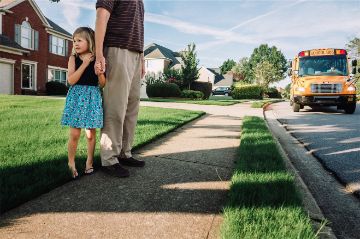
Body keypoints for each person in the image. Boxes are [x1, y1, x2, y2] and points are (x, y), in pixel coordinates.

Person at [95, 0, 146, 178]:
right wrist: (99, 54)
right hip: (117, 50)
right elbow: (102, 14)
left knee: (132, 108)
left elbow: (139, 30)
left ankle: (125, 153)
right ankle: (109, 159)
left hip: (135, 54)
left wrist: (142, 57)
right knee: (115, 106)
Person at [61, 27, 106, 179]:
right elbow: (71, 80)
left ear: (90, 41)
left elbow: (103, 84)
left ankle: (89, 162)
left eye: (79, 40)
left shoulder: (97, 58)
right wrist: (85, 64)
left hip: (92, 97)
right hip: (77, 96)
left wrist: (99, 73)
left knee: (90, 134)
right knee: (74, 133)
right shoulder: (73, 58)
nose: (75, 43)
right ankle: (71, 162)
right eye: (74, 41)